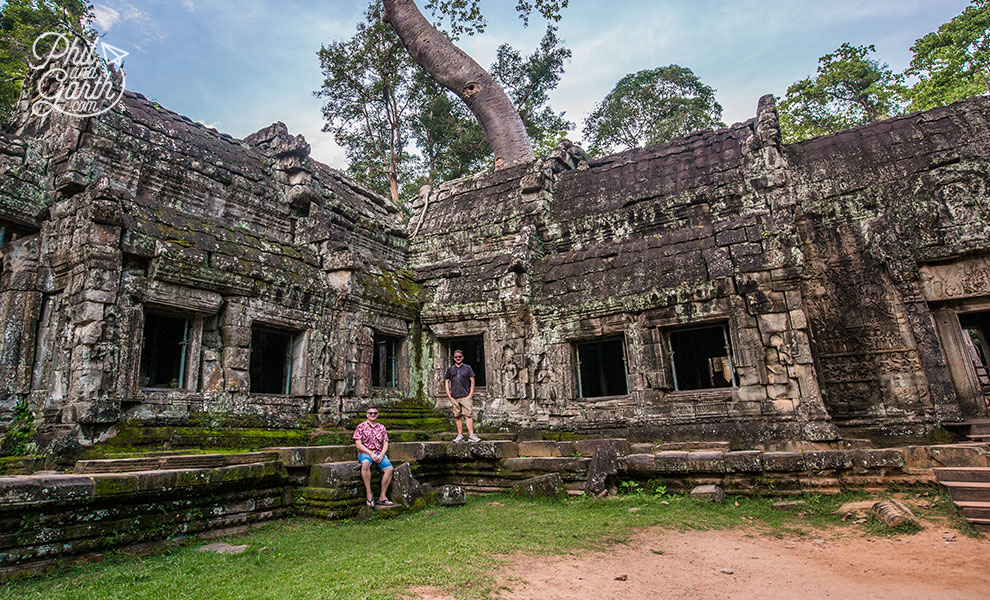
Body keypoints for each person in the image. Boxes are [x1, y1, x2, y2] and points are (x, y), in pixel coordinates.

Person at [353, 406, 394, 507]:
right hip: (365, 453)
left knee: (389, 468)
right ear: (367, 415)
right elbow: (358, 444)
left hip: (379, 453)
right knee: (366, 464)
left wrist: (382, 455)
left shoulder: (382, 428)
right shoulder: (361, 427)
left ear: (377, 415)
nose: (373, 415)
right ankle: (369, 494)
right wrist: (370, 453)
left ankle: (382, 496)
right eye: (370, 413)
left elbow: (385, 443)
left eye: (375, 413)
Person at [444, 349, 480, 443]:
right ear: (454, 358)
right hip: (454, 396)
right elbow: (447, 381)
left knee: (468, 415)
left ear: (462, 357)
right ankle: (460, 435)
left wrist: (470, 394)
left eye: (459, 357)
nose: (458, 358)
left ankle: (471, 435)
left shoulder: (467, 368)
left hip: (465, 395)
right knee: (457, 416)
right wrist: (449, 395)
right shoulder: (450, 369)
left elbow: (472, 380)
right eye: (456, 357)